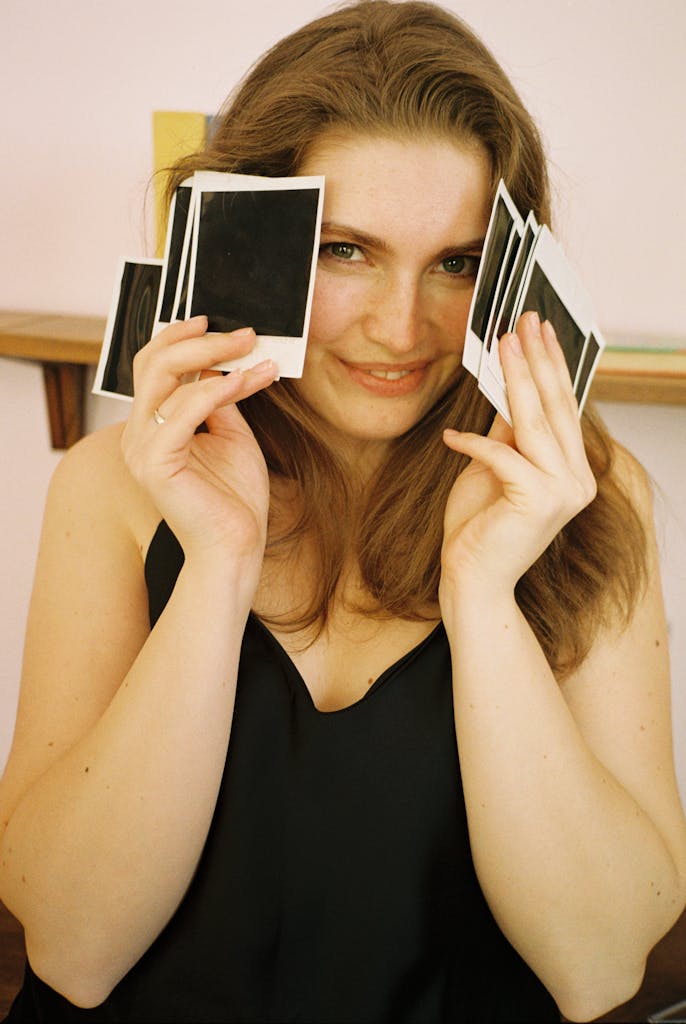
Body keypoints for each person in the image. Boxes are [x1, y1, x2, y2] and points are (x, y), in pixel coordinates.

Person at [1, 2, 685, 1021]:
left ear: (508, 264)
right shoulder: (110, 485)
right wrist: (217, 564)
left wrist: (485, 591)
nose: (400, 328)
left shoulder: (584, 493)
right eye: (343, 251)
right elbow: (72, 946)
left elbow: (594, 968)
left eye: (455, 263)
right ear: (243, 238)